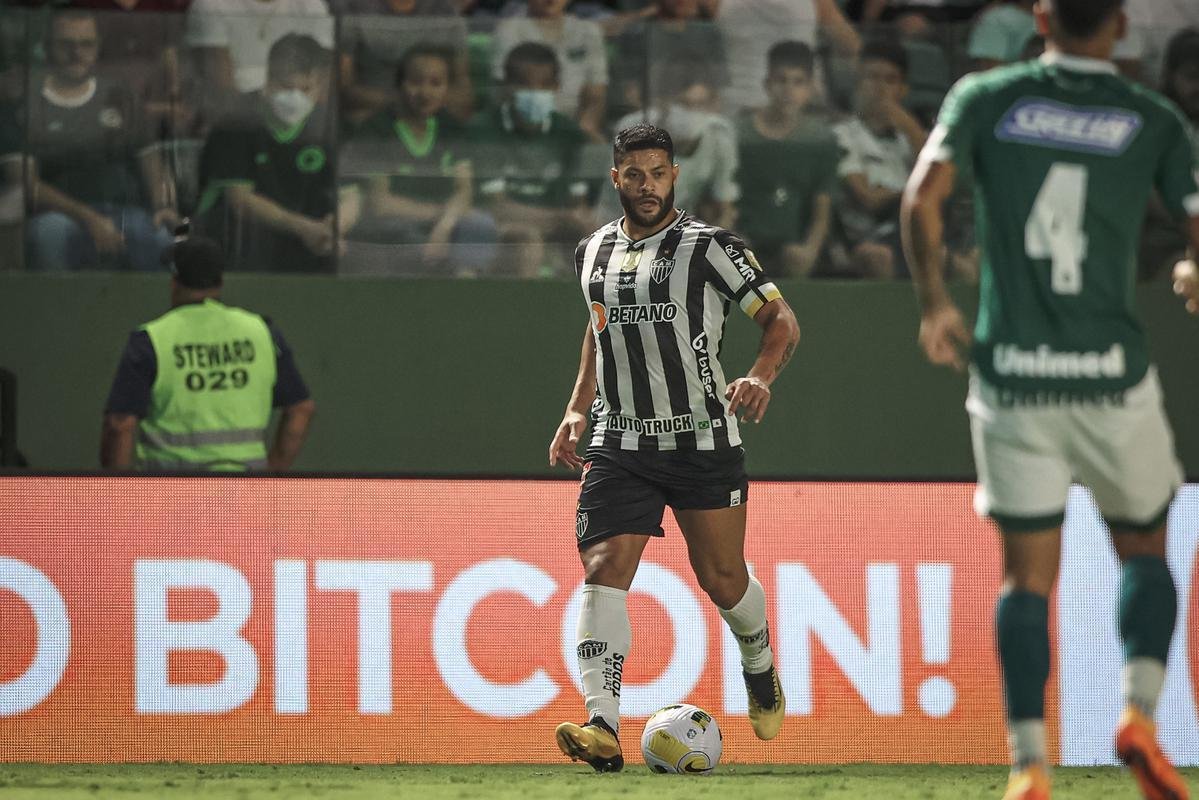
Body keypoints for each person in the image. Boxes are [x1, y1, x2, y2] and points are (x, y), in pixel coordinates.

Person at [900, 1, 1199, 798]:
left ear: (1039, 16)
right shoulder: (1152, 116)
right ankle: (1137, 712)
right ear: (1122, 24)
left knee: (1025, 580)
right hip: (1112, 377)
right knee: (1143, 548)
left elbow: (920, 197)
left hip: (1011, 378)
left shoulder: (984, 97)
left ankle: (1028, 764)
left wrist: (934, 304)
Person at [547, 123, 800, 771]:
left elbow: (780, 320)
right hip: (619, 439)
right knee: (603, 565)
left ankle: (758, 657)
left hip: (702, 438)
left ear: (673, 175)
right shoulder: (591, 253)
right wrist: (578, 409)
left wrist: (759, 375)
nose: (646, 185)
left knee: (721, 578)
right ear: (615, 179)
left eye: (657, 173)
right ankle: (601, 723)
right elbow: (596, 330)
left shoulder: (709, 246)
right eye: (634, 174)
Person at [100, 229, 316, 471]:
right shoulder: (261, 332)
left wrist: (116, 492)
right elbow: (301, 409)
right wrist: (270, 476)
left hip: (170, 497)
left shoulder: (151, 339)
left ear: (174, 283)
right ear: (220, 282)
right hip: (245, 495)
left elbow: (120, 425)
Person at [10, 9, 176, 271]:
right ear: (47, 47)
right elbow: (26, 184)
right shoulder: (25, 102)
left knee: (165, 239)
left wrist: (164, 205)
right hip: (56, 216)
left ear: (98, 47)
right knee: (46, 236)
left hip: (125, 213)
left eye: (86, 44)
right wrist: (89, 219)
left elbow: (152, 159)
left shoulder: (120, 95)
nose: (77, 53)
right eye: (66, 44)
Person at [195, 33, 359, 272]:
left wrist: (334, 228)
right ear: (268, 79)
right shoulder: (236, 123)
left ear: (320, 85)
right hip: (244, 243)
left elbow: (352, 195)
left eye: (305, 88)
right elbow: (240, 201)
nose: (295, 97)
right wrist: (303, 228)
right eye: (285, 86)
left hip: (311, 242)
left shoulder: (330, 126)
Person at [341, 43, 496, 275]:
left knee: (480, 226)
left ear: (447, 89)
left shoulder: (452, 128)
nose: (425, 93)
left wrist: (445, 225)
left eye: (436, 83)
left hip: (444, 222)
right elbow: (381, 204)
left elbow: (464, 192)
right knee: (411, 241)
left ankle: (466, 291)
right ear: (399, 85)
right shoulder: (377, 129)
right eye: (415, 82)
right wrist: (440, 215)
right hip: (393, 226)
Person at [468, 42, 592, 276]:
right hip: (500, 231)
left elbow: (579, 204)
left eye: (544, 85)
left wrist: (582, 222)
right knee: (528, 241)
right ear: (506, 87)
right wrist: (561, 217)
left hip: (556, 230)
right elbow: (498, 207)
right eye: (524, 84)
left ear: (556, 87)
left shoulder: (571, 134)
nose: (535, 93)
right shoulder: (482, 129)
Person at [736, 40, 839, 277]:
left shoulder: (821, 138)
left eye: (798, 82)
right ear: (767, 84)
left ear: (810, 88)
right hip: (745, 240)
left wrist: (810, 249)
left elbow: (822, 204)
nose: (788, 90)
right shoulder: (739, 134)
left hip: (795, 246)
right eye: (781, 80)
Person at [834, 38, 927, 278]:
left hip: (912, 229)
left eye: (890, 79)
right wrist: (911, 193)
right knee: (881, 257)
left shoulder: (912, 138)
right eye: (872, 77)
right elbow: (868, 198)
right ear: (858, 82)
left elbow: (939, 179)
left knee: (952, 256)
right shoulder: (844, 134)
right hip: (866, 235)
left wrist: (911, 128)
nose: (881, 87)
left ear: (903, 89)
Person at [612, 65, 739, 230]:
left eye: (701, 105)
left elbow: (725, 208)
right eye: (685, 105)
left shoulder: (718, 135)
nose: (694, 113)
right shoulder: (631, 130)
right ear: (664, 103)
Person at [334, 0, 472, 126]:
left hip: (435, 125)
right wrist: (399, 102)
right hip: (370, 125)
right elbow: (344, 87)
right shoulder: (353, 8)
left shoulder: (446, 12)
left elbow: (463, 89)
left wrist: (425, 102)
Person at [490, 0, 608, 142]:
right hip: (521, 125)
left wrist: (581, 131)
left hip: (573, 127)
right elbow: (503, 90)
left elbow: (596, 95)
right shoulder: (509, 29)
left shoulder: (588, 31)